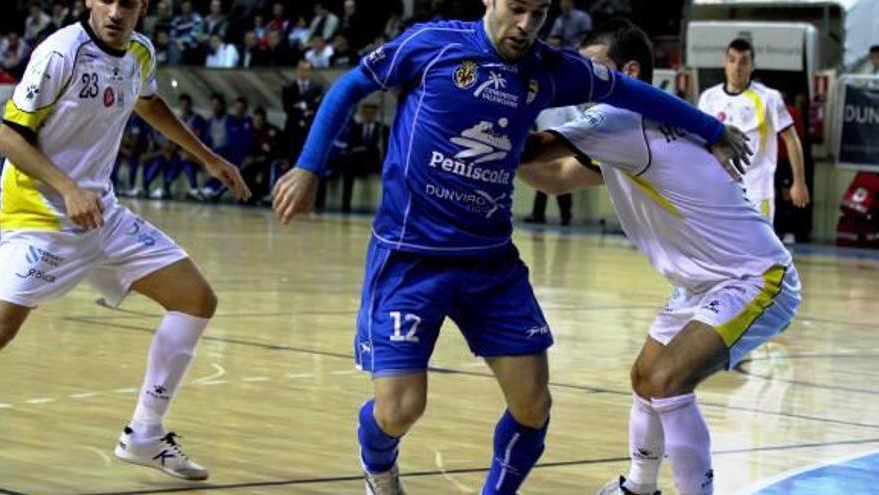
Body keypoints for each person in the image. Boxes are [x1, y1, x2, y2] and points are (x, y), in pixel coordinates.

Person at [270, 1, 750, 494]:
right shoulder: (432, 44)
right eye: (516, 9)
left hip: (490, 264)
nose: (525, 25)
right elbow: (351, 86)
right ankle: (379, 466)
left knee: (533, 405)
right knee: (399, 409)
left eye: (538, 14)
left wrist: (713, 132)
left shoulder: (550, 68)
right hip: (409, 257)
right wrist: (309, 166)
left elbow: (634, 91)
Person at [516, 19, 800, 495]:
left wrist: (487, 108)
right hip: (701, 284)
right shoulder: (636, 129)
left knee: (667, 380)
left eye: (593, 69)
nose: (584, 81)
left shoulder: (619, 119)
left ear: (628, 71)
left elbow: (532, 152)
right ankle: (639, 487)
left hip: (755, 277)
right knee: (645, 377)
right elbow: (554, 178)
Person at [0, 0, 250, 481]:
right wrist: (67, 187)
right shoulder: (60, 53)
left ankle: (146, 433)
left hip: (101, 213)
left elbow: (149, 103)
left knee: (196, 300)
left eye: (129, 2)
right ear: (90, 0)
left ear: (143, 7)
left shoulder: (140, 52)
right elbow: (9, 135)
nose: (117, 10)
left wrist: (207, 158)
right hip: (40, 214)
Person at [698, 38, 810, 223]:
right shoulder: (708, 98)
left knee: (758, 247)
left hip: (756, 188)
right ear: (724, 62)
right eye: (732, 60)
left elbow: (792, 140)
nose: (737, 67)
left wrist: (799, 182)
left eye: (743, 61)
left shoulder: (769, 98)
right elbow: (699, 141)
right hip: (718, 187)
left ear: (752, 65)